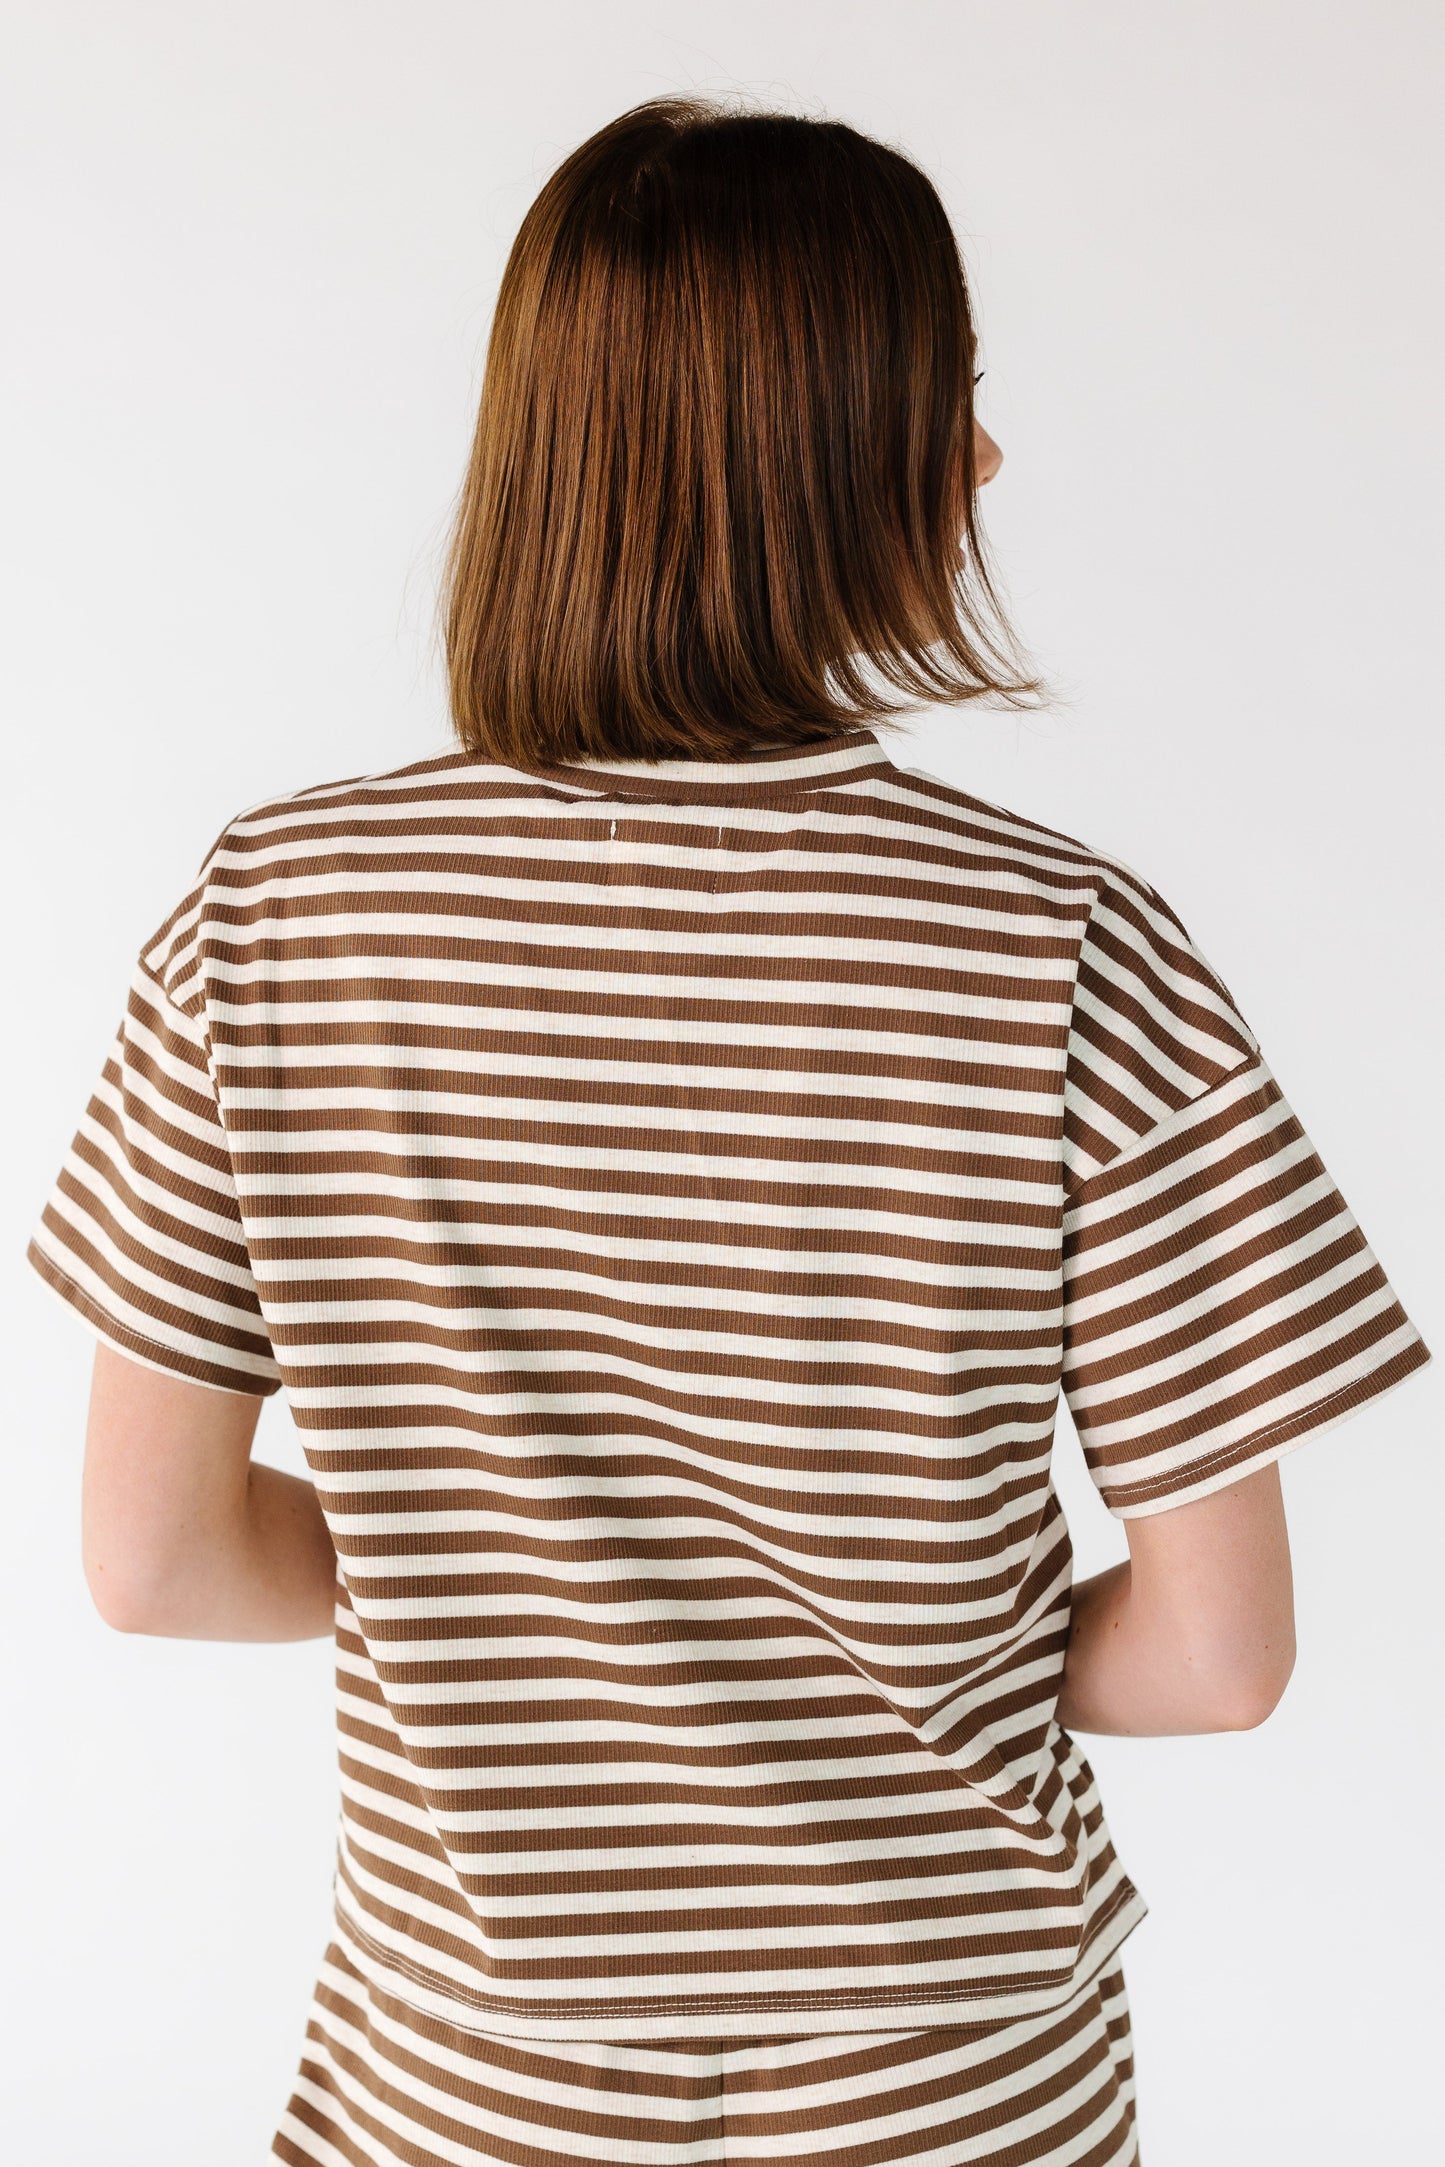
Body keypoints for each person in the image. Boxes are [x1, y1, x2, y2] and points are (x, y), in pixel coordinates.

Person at [26, 96, 1429, 2167]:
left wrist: (506, 1607)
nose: (986, 456)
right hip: (955, 2082)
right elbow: (1221, 1657)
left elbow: (153, 1561)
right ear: (825, 458)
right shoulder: (1065, 951)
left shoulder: (273, 919)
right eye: (950, 395)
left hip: (468, 2078)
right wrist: (858, 1668)